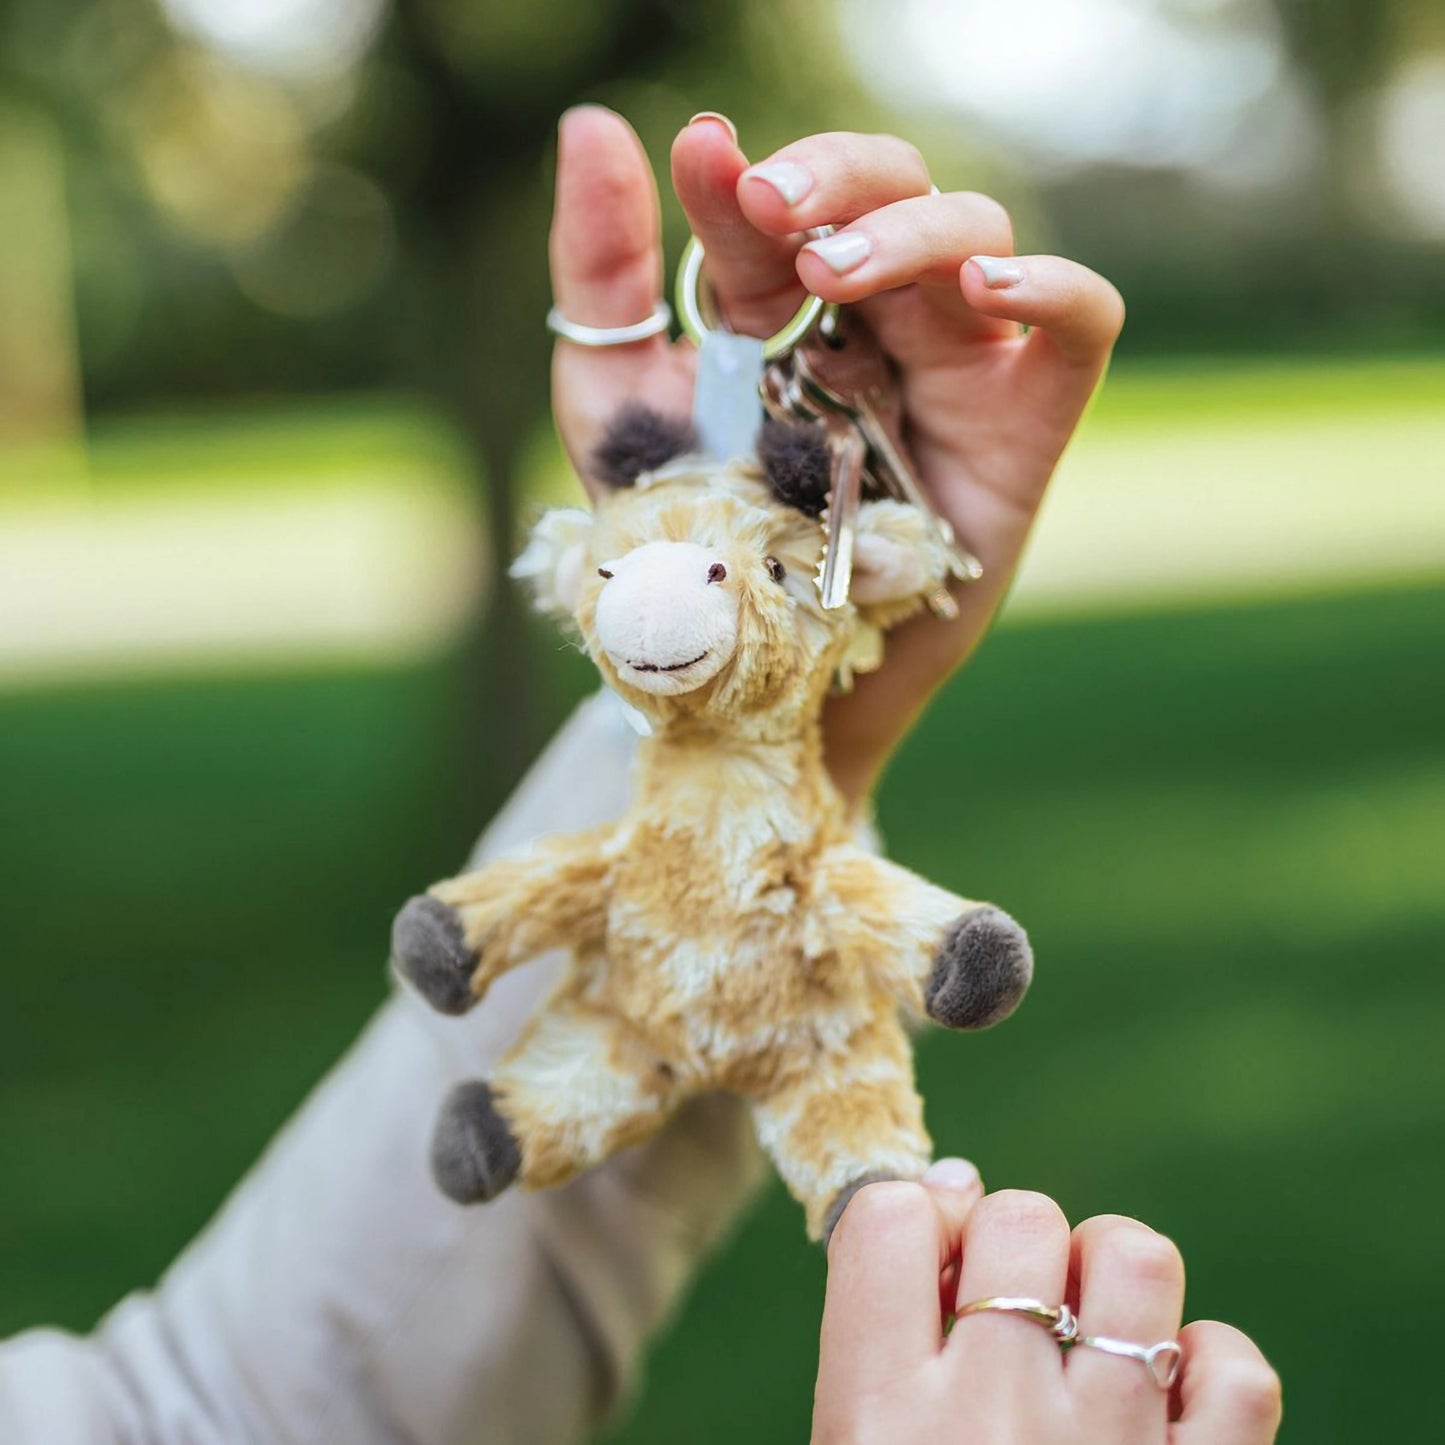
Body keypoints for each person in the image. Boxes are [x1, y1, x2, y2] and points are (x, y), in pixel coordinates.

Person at [0, 109, 1280, 1445]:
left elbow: (202, 1417)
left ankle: (834, 1175)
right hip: (635, 1011)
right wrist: (473, 928)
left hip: (776, 966)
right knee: (591, 1068)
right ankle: (530, 1119)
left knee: (841, 1127)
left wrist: (817, 667)